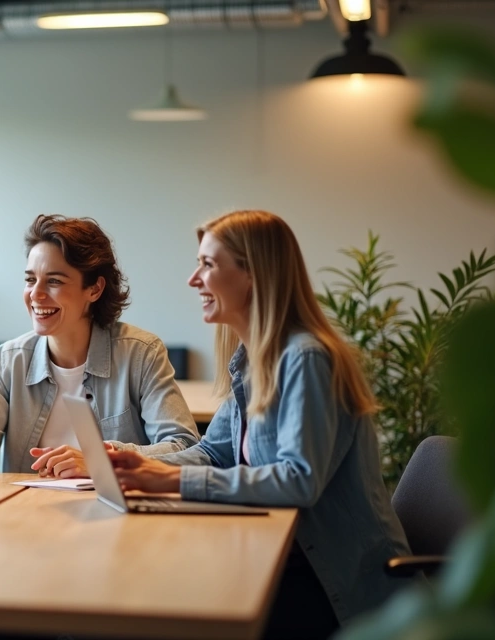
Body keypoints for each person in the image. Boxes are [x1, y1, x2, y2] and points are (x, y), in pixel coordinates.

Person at [109, 210, 411, 638]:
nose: (194, 280)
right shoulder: (254, 361)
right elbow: (216, 451)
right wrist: (132, 460)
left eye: (208, 265)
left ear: (252, 274)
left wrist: (172, 483)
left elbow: (298, 481)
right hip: (290, 559)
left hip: (336, 581)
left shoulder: (306, 359)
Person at [0, 214, 198, 484]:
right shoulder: (9, 359)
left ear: (94, 289)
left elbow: (184, 446)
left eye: (54, 281)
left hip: (114, 514)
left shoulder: (141, 354)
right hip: (25, 514)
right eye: (30, 279)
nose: (36, 294)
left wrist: (102, 460)